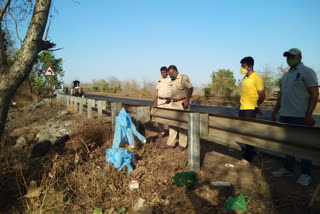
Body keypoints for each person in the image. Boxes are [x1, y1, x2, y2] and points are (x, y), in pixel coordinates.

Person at [271, 48, 319, 186]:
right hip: (285, 115)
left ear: (299, 57)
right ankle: (288, 169)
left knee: (303, 145)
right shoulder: (286, 75)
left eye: (291, 56)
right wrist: (275, 112)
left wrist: (309, 115)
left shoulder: (307, 72)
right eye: (287, 57)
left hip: (300, 116)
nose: (288, 59)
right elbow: (281, 95)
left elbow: (314, 95)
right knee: (287, 145)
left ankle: (306, 174)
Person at [237, 56, 265, 165]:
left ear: (250, 66)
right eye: (241, 66)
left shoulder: (257, 78)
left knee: (249, 133)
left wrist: (256, 106)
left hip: (250, 109)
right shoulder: (245, 78)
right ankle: (251, 152)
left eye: (243, 66)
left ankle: (248, 158)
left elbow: (262, 95)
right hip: (243, 108)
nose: (241, 68)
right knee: (244, 132)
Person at [160, 65, 193, 151]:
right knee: (172, 123)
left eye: (171, 73)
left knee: (182, 125)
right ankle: (170, 143)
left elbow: (190, 88)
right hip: (173, 103)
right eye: (169, 74)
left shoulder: (183, 78)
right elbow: (175, 91)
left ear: (175, 71)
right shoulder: (172, 80)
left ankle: (182, 144)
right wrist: (170, 99)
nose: (170, 75)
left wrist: (186, 100)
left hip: (182, 104)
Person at [153, 66, 172, 136]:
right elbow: (157, 90)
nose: (163, 74)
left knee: (170, 117)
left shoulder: (171, 78)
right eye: (161, 73)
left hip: (168, 101)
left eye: (164, 72)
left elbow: (174, 90)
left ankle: (171, 133)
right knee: (159, 118)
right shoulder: (159, 79)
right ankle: (162, 132)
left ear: (167, 72)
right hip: (160, 100)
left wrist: (170, 98)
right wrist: (155, 101)